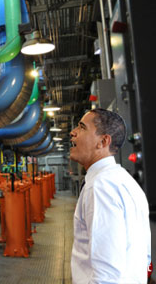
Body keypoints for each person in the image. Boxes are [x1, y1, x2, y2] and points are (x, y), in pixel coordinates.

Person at [70, 108, 151, 284]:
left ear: (103, 141)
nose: (73, 133)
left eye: (82, 127)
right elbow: (145, 256)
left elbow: (106, 273)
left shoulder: (100, 186)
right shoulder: (125, 181)